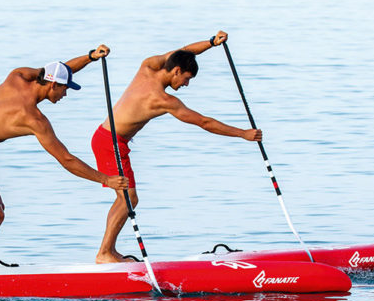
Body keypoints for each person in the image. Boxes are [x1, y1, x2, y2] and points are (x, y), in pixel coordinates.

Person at [0, 45, 129, 275]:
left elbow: (59, 69)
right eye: (65, 89)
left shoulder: (18, 76)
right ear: (53, 85)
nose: (65, 95)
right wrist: (106, 179)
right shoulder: (33, 119)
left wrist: (90, 57)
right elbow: (66, 159)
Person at [91, 31, 263, 264]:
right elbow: (204, 122)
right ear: (176, 71)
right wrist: (242, 133)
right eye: (186, 79)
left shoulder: (148, 66)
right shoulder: (163, 100)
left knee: (126, 197)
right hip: (110, 142)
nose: (186, 85)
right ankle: (104, 253)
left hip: (107, 138)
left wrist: (211, 43)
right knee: (128, 197)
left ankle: (107, 251)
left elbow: (184, 51)